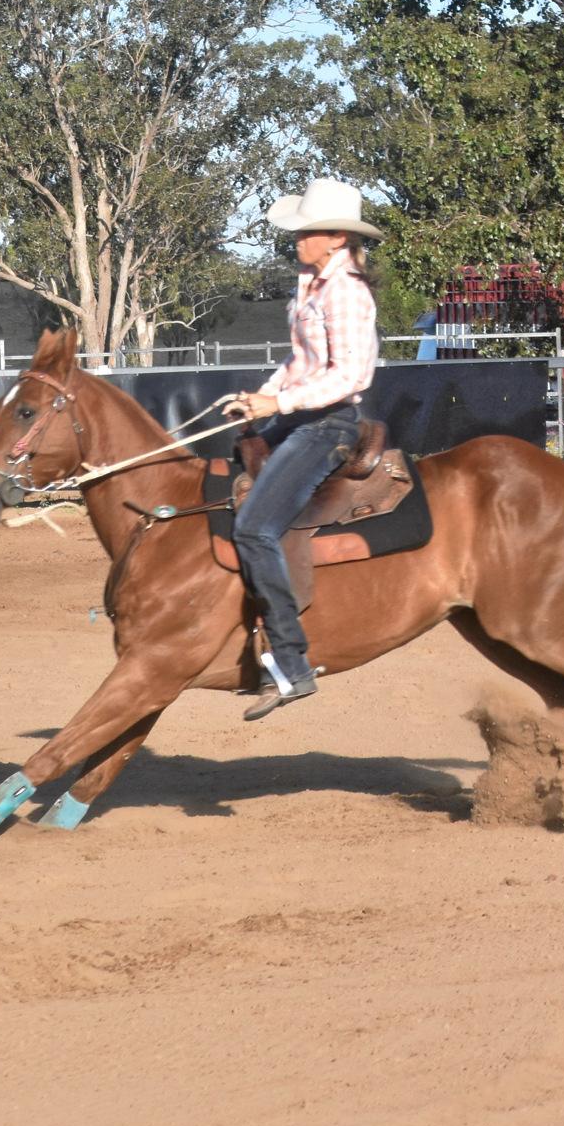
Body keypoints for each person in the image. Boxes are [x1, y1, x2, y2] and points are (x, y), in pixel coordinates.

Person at [223, 177, 383, 720]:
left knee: (254, 527)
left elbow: (348, 376)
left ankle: (291, 664)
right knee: (228, 472)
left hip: (327, 425)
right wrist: (261, 399)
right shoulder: (310, 283)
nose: (298, 239)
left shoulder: (346, 291)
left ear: (336, 237)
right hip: (298, 412)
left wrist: (280, 406)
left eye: (307, 231)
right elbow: (297, 364)